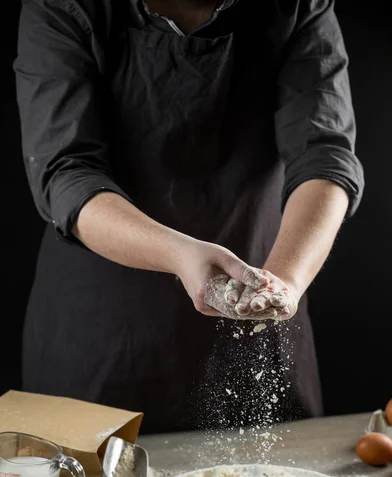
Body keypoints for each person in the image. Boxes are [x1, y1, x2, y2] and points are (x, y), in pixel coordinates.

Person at [15, 0, 364, 433]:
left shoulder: (296, 6)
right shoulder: (62, 6)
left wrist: (284, 280)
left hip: (257, 301)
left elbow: (324, 154)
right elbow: (67, 172)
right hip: (101, 330)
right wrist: (180, 253)